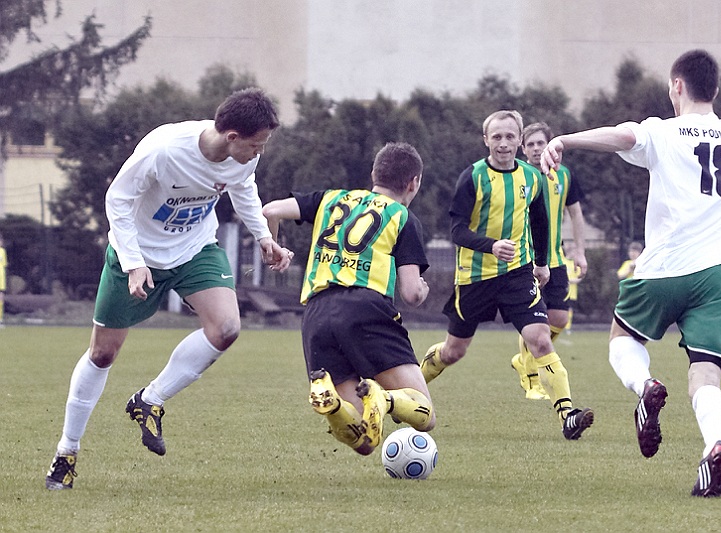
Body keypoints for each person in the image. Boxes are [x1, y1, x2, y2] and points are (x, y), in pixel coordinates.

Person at [44, 88, 292, 490]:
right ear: (231, 136)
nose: (259, 152)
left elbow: (244, 188)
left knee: (227, 328)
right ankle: (66, 452)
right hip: (138, 254)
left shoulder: (244, 157)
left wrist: (264, 237)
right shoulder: (164, 150)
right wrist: (133, 262)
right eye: (256, 144)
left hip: (195, 249)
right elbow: (117, 200)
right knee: (103, 354)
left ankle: (150, 400)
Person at [540, 49, 721, 497]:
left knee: (622, 338)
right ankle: (716, 446)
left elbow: (622, 136)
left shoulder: (663, 130)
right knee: (706, 378)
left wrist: (565, 141)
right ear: (715, 90)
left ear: (677, 85)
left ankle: (647, 386)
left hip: (667, 266)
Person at [420, 110, 593, 440]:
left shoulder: (532, 177)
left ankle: (568, 415)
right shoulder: (472, 177)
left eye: (510, 136)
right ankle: (408, 388)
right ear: (486, 140)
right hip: (475, 278)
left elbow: (540, 222)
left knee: (540, 338)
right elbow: (456, 231)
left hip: (517, 274)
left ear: (518, 140)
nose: (503, 143)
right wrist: (491, 246)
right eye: (497, 137)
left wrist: (541, 263)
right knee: (454, 351)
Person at [262, 142, 435, 456]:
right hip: (365, 309)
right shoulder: (402, 217)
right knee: (425, 413)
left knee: (364, 440)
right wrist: (422, 290)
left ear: (373, 174)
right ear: (414, 183)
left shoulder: (331, 198)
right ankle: (385, 399)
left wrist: (273, 248)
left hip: (316, 314)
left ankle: (333, 407)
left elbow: (270, 211)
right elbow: (411, 293)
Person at [510, 122, 589, 400]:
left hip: (555, 258)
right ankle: (532, 379)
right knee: (533, 320)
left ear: (549, 145)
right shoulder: (518, 176)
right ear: (523, 149)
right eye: (530, 144)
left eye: (540, 143)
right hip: (525, 260)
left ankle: (524, 358)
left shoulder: (564, 175)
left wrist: (579, 251)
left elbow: (576, 214)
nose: (535, 149)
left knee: (559, 318)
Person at [0, 232, 6, 327]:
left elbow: (4, 265)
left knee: (1, 298)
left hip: (1, 278)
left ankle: (0, 319)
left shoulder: (3, 251)